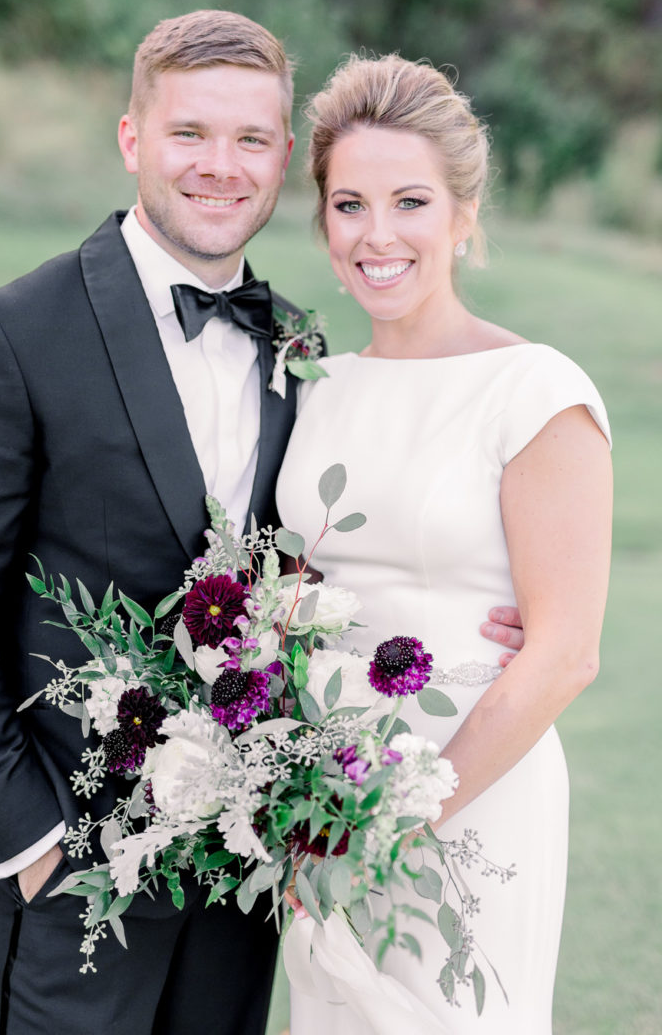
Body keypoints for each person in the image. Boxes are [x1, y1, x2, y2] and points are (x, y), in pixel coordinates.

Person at [0, 14, 522, 1035]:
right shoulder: (15, 332)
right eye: (190, 134)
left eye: (251, 140)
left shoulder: (298, 348)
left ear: (282, 157)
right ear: (133, 139)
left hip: (248, 874)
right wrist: (32, 839)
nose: (220, 167)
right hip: (76, 875)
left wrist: (477, 620)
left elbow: (333, 558)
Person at [276, 54, 612, 1034]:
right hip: (320, 808)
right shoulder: (315, 389)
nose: (377, 235)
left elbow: (564, 652)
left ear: (465, 214)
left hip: (468, 800)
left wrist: (391, 825)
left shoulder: (537, 393)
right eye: (349, 204)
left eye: (410, 201)